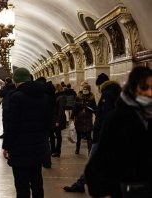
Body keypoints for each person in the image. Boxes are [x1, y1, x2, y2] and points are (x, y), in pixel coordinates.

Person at [85, 66, 152, 197]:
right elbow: (103, 158)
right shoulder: (118, 118)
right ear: (133, 89)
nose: (149, 93)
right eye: (144, 88)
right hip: (126, 189)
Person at [63, 73, 121, 193]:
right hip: (111, 135)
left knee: (93, 161)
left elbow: (106, 116)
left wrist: (101, 132)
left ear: (101, 84)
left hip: (102, 135)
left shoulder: (107, 95)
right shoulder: (116, 93)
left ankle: (81, 184)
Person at [3, 68, 50, 198]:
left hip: (20, 149)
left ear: (16, 80)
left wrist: (6, 146)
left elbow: (11, 125)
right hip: (38, 147)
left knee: (22, 185)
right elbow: (47, 122)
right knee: (37, 183)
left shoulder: (16, 97)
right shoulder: (43, 96)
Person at [71, 83, 96, 155]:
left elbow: (94, 108)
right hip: (79, 119)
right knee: (78, 136)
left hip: (88, 119)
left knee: (89, 136)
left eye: (86, 89)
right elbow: (75, 108)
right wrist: (72, 117)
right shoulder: (78, 97)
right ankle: (77, 149)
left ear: (89, 90)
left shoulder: (92, 98)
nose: (85, 90)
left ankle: (90, 151)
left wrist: (90, 108)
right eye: (84, 89)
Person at [50, 84, 67, 157]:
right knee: (52, 134)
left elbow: (61, 110)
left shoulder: (62, 97)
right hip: (53, 119)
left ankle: (58, 151)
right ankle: (53, 150)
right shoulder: (56, 96)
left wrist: (58, 121)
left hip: (58, 119)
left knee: (58, 135)